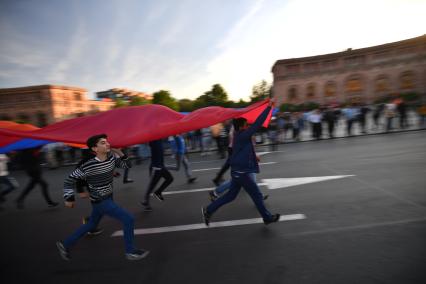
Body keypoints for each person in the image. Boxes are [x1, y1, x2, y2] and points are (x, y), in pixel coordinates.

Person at [56, 134, 149, 261]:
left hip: (107, 198)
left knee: (91, 224)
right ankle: (131, 251)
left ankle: (65, 244)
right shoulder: (88, 165)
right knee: (128, 219)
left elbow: (127, 165)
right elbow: (69, 180)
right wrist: (69, 198)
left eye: (107, 142)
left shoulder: (111, 159)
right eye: (103, 143)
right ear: (95, 149)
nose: (107, 144)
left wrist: (119, 151)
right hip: (101, 201)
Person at [202, 100, 280, 226]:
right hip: (242, 173)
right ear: (242, 127)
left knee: (231, 196)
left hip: (238, 171)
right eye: (246, 125)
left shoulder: (240, 135)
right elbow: (258, 123)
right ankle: (267, 217)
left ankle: (208, 210)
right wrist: (268, 108)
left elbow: (246, 149)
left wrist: (254, 157)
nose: (248, 126)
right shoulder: (243, 135)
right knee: (257, 195)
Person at [140, 139, 174, 212]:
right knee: (152, 186)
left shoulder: (160, 140)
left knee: (170, 179)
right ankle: (145, 201)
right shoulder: (153, 140)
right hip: (155, 168)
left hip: (161, 166)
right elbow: (145, 140)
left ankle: (158, 192)